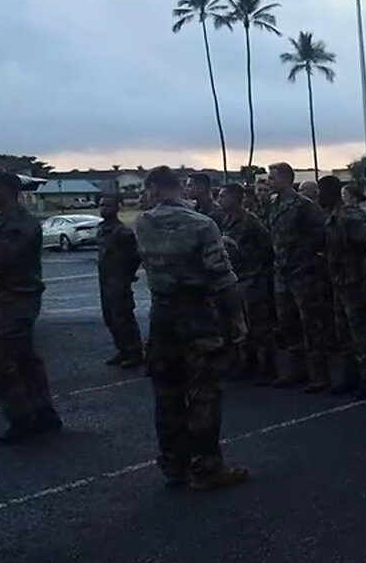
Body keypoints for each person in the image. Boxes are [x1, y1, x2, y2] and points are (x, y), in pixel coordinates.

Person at [134, 166, 248, 490]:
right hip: (198, 313)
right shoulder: (202, 225)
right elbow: (222, 277)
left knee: (167, 392)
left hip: (162, 315)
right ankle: (207, 468)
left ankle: (173, 464)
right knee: (204, 393)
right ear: (179, 188)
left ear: (154, 190)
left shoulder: (143, 223)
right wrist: (237, 318)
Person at [0, 172, 63, 444]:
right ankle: (43, 412)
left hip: (19, 299)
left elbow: (4, 257)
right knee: (25, 360)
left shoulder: (22, 222)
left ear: (5, 191)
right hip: (5, 297)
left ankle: (21, 418)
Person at [266, 162, 334, 392]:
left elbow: (320, 233)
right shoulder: (274, 204)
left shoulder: (304, 205)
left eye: (273, 177)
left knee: (311, 324)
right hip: (283, 272)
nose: (269, 181)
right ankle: (298, 370)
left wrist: (304, 255)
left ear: (285, 179)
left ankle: (320, 375)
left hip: (303, 273)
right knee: (288, 323)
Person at [318, 176, 366, 397]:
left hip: (356, 282)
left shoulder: (349, 216)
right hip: (341, 282)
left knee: (362, 332)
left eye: (320, 191)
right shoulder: (333, 216)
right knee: (344, 333)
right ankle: (351, 375)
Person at [218, 183, 276, 384]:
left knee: (259, 326)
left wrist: (258, 269)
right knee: (242, 326)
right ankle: (248, 365)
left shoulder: (250, 221)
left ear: (236, 199)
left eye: (224, 196)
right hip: (237, 278)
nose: (220, 199)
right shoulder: (226, 220)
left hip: (252, 278)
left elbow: (268, 246)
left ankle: (268, 368)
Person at [96, 193, 144, 368]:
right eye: (101, 205)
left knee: (123, 317)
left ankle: (134, 352)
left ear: (117, 208)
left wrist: (127, 275)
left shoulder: (123, 232)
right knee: (110, 318)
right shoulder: (101, 229)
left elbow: (135, 256)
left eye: (108, 205)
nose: (103, 209)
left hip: (119, 281)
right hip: (106, 280)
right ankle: (122, 349)